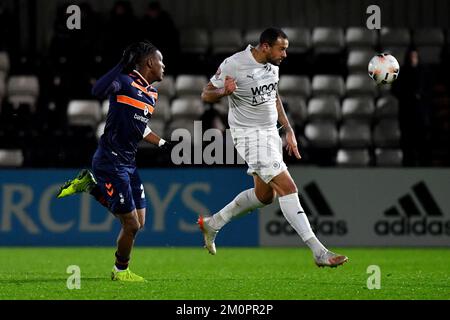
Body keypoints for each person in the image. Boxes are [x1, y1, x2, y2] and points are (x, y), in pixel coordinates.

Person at [199, 28, 348, 268]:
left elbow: (274, 96)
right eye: (282, 49)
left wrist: (288, 129)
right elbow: (206, 94)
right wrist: (223, 91)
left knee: (264, 196)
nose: (285, 54)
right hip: (249, 136)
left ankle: (213, 223)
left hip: (270, 135)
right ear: (265, 47)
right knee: (288, 187)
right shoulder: (235, 64)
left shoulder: (273, 66)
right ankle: (319, 251)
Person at [56, 41, 171, 281]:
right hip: (110, 161)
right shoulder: (125, 81)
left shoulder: (152, 93)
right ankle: (120, 271)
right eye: (160, 60)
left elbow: (139, 126)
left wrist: (162, 143)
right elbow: (97, 91)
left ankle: (89, 185)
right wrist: (121, 64)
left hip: (129, 163)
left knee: (139, 222)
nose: (164, 65)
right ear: (149, 63)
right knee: (131, 225)